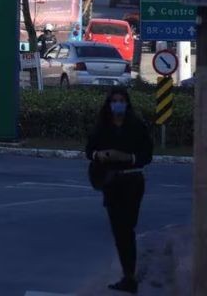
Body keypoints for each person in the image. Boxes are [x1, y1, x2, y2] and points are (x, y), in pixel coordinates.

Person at [86, 87, 153, 294]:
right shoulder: (102, 126)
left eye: (121, 100)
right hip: (111, 183)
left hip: (132, 182)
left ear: (127, 103)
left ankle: (130, 275)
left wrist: (126, 157)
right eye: (114, 100)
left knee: (127, 228)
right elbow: (89, 151)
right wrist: (101, 155)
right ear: (109, 104)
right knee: (119, 231)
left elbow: (147, 155)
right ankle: (128, 275)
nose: (118, 104)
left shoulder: (136, 126)